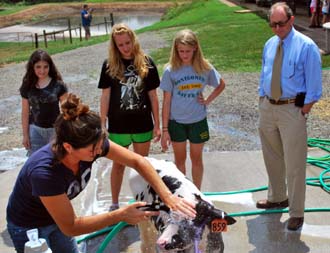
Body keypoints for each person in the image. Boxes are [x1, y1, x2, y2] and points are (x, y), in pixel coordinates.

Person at [6, 93, 196, 253]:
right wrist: (120, 215)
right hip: (30, 228)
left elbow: (138, 161)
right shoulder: (45, 172)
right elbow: (71, 226)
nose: (100, 151)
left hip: (58, 218)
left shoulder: (91, 143)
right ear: (68, 147)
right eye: (94, 149)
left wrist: (168, 196)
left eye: (100, 145)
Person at [257, 2, 322, 231]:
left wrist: (302, 111)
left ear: (291, 20)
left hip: (291, 110)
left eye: (280, 24)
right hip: (268, 107)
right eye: (272, 24)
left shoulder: (307, 47)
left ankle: (296, 212)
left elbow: (314, 88)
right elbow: (265, 72)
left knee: (295, 165)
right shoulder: (269, 44)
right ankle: (277, 197)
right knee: (272, 158)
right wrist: (262, 100)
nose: (276, 29)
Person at [98, 23, 161, 211]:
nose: (125, 47)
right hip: (118, 125)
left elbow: (153, 96)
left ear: (134, 40)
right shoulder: (109, 65)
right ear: (115, 46)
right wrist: (102, 123)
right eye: (121, 45)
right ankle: (115, 204)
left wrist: (157, 124)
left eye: (128, 42)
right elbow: (106, 95)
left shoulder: (147, 62)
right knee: (118, 166)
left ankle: (144, 202)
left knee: (143, 166)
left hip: (142, 124)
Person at [160, 29, 225, 190]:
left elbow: (221, 84)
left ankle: (197, 194)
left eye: (187, 51)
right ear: (176, 50)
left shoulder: (204, 67)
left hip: (198, 121)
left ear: (195, 48)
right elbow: (166, 101)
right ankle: (183, 194)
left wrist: (207, 100)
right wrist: (165, 129)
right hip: (176, 122)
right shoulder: (170, 70)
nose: (184, 55)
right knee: (179, 160)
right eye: (181, 51)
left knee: (197, 159)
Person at [19, 49, 68, 156]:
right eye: (38, 67)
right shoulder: (27, 86)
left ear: (50, 67)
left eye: (45, 66)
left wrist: (66, 133)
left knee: (55, 162)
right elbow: (25, 113)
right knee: (36, 163)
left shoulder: (58, 85)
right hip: (35, 131)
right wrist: (25, 135)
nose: (42, 70)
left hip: (55, 131)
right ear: (32, 67)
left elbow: (67, 111)